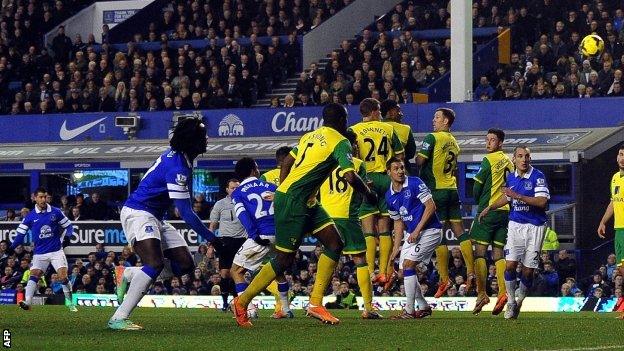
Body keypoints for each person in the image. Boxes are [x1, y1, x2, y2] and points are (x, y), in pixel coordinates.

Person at [231, 103, 377, 327]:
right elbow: (349, 176)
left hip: (305, 200)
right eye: (345, 119)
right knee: (283, 259)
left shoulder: (310, 135)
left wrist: (287, 186)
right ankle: (242, 302)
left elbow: (288, 161)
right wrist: (368, 194)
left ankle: (315, 303)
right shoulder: (340, 141)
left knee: (335, 243)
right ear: (340, 120)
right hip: (294, 201)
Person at [108, 117, 218, 330]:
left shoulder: (182, 158)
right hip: (138, 212)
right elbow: (186, 212)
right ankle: (118, 317)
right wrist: (213, 238)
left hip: (154, 215)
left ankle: (128, 273)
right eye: (203, 136)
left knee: (186, 264)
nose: (207, 139)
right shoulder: (178, 167)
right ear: (192, 140)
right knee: (155, 263)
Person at [478, 146, 550, 319]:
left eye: (526, 156)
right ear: (514, 159)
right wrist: (490, 207)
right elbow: (507, 196)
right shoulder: (511, 177)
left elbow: (542, 202)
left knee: (528, 271)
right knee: (509, 265)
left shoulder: (538, 177)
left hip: (535, 227)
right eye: (520, 156)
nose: (524, 159)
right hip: (515, 224)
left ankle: (520, 301)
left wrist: (518, 196)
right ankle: (510, 301)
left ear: (530, 159)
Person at [318, 130, 381, 319]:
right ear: (351, 145)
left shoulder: (324, 164)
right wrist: (370, 192)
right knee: (360, 260)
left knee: (328, 260)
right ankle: (368, 307)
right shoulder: (358, 164)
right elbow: (360, 188)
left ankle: (315, 302)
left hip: (325, 217)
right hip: (347, 217)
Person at [416, 108, 475, 297]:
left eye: (437, 117)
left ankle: (444, 278)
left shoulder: (432, 138)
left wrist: (417, 156)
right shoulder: (454, 142)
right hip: (451, 190)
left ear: (446, 121)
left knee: (437, 235)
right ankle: (471, 272)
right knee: (460, 233)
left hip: (436, 192)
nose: (433, 120)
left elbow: (420, 161)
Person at [349, 98, 404, 284]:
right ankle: (385, 272)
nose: (380, 114)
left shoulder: (353, 130)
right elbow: (400, 155)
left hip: (367, 180)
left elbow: (352, 157)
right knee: (385, 229)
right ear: (373, 112)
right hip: (385, 178)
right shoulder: (388, 129)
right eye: (379, 110)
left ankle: (370, 271)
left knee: (368, 231)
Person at [230, 157, 293, 319]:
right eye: (257, 167)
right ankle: (285, 309)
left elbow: (242, 215)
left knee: (236, 271)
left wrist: (253, 235)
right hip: (281, 235)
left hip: (261, 234)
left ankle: (248, 308)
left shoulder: (238, 192)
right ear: (253, 170)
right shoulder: (272, 187)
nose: (258, 170)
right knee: (277, 270)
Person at [385, 157, 441, 319]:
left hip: (430, 230)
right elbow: (397, 222)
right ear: (389, 172)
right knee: (403, 271)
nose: (400, 171)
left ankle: (409, 311)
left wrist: (417, 230)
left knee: (409, 265)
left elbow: (431, 206)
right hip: (411, 235)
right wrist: (396, 247)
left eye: (402, 168)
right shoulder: (389, 196)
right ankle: (423, 307)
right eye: (396, 168)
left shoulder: (415, 182)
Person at [469, 128, 514, 315]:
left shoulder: (488, 160)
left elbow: (476, 187)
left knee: (479, 252)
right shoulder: (510, 162)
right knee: (498, 253)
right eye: (487, 140)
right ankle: (503, 292)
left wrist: (478, 201)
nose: (488, 143)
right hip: (505, 212)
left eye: (492, 140)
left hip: (488, 211)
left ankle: (482, 293)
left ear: (500, 143)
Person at [9, 187, 77, 312]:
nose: (43, 199)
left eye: (45, 196)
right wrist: (11, 248)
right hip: (39, 253)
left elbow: (69, 226)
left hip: (56, 251)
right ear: (34, 198)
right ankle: (27, 302)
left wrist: (68, 236)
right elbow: (20, 235)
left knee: (63, 277)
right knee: (34, 275)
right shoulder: (29, 216)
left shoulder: (55, 211)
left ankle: (70, 302)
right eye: (40, 197)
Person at [209, 179, 247, 311]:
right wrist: (210, 246)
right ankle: (225, 303)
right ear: (227, 189)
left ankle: (236, 303)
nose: (235, 190)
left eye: (237, 188)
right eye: (232, 188)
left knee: (236, 273)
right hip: (225, 241)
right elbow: (213, 225)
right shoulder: (220, 204)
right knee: (224, 274)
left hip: (242, 241)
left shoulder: (245, 202)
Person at [598, 143, 624, 286]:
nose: (623, 158)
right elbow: (613, 202)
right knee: (621, 268)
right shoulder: (615, 178)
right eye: (621, 154)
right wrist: (603, 222)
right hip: (618, 229)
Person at [380, 99, 417, 173]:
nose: (401, 114)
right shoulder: (405, 128)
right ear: (390, 112)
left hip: (378, 170)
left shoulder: (374, 128)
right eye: (398, 110)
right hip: (399, 169)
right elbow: (411, 153)